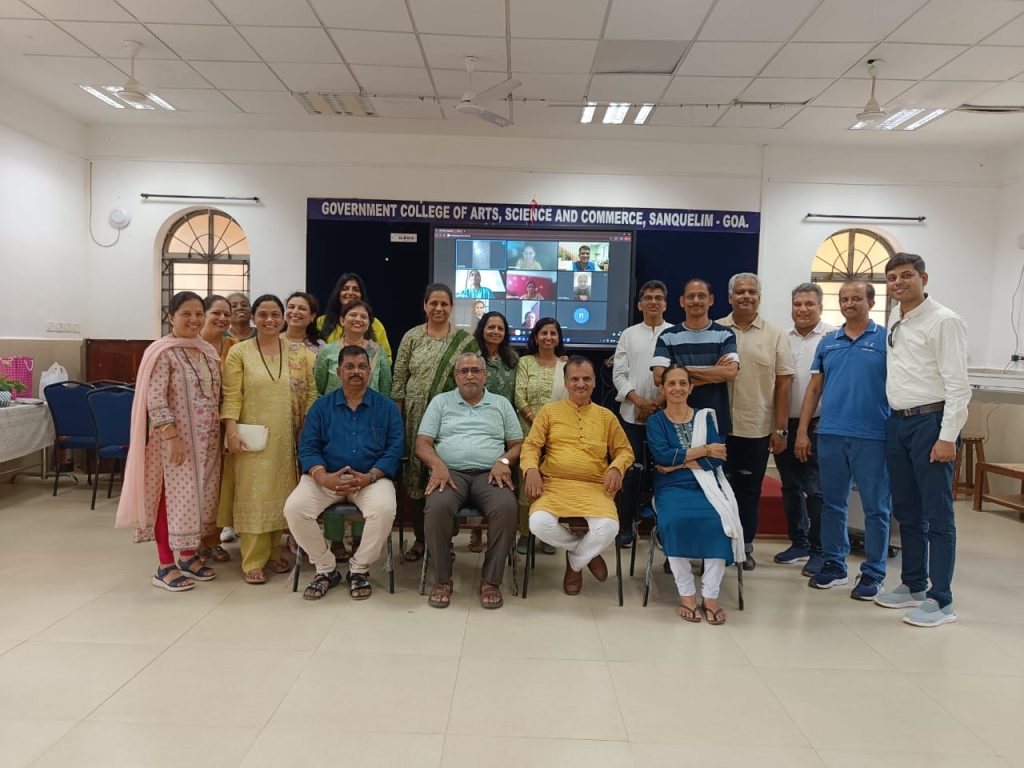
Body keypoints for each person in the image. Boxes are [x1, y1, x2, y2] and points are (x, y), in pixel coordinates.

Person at [875, 253, 970, 627]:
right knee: (907, 511)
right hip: (898, 423)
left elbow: (958, 386)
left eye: (906, 276)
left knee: (937, 515)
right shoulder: (895, 321)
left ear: (923, 278)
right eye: (892, 277)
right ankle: (913, 584)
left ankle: (941, 599)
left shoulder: (945, 321)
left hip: (931, 422)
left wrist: (947, 437)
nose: (898, 283)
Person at [115, 291, 222, 591]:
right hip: (174, 443)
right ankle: (164, 565)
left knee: (198, 499)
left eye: (198, 313)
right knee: (170, 500)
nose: (193, 319)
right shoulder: (163, 352)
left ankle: (188, 556)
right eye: (186, 314)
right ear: (171, 317)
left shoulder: (208, 352)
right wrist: (171, 436)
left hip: (208, 443)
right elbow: (155, 398)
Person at [284, 345, 403, 601]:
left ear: (370, 372)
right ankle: (325, 568)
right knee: (294, 509)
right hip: (326, 477)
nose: (356, 372)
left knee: (383, 509)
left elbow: (394, 449)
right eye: (349, 367)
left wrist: (369, 476)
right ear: (338, 371)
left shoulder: (386, 407)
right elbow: (308, 447)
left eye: (361, 366)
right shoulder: (321, 407)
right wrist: (323, 477)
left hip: (371, 479)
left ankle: (359, 569)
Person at [796, 281, 891, 599]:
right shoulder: (828, 342)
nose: (850, 303)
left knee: (876, 508)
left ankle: (874, 573)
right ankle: (835, 565)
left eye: (856, 298)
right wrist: (801, 431)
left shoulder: (886, 340)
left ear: (871, 301)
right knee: (833, 504)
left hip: (873, 435)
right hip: (831, 434)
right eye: (844, 299)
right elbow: (814, 389)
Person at [221, 294, 318, 584]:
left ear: (283, 317)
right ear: (253, 318)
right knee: (254, 495)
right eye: (262, 314)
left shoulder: (301, 354)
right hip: (251, 437)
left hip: (288, 437)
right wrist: (231, 432)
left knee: (283, 494)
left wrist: (307, 430)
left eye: (275, 314)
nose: (270, 320)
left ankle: (275, 553)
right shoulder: (239, 352)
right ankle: (253, 559)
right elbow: (231, 396)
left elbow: (313, 393)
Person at [416, 352, 524, 609]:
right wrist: (438, 465)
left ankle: (491, 580)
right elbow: (422, 443)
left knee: (507, 508)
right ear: (455, 376)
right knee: (437, 507)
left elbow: (519, 444)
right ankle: (443, 579)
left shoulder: (500, 404)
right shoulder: (441, 402)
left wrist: (505, 461)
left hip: (490, 473)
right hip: (449, 474)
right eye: (464, 371)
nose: (470, 376)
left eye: (476, 370)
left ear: (485, 375)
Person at [521, 356, 634, 595]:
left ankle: (574, 563)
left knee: (609, 528)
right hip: (554, 485)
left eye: (586, 379)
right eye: (574, 379)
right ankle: (584, 553)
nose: (580, 384)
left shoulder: (606, 416)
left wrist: (616, 467)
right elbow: (531, 446)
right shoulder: (549, 412)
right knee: (538, 524)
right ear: (566, 383)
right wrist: (531, 469)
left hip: (595, 487)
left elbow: (625, 450)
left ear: (594, 383)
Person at [647, 365, 745, 623]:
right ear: (662, 388)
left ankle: (711, 596)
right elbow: (662, 456)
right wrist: (703, 450)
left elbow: (717, 459)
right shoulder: (656, 421)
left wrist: (676, 464)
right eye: (671, 384)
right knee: (674, 521)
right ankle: (687, 594)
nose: (677, 388)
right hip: (671, 488)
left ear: (691, 388)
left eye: (682, 383)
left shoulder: (706, 417)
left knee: (720, 522)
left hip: (708, 485)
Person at [392, 283, 480, 561]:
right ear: (425, 306)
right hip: (416, 417)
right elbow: (399, 380)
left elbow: (474, 380)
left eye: (444, 304)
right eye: (434, 303)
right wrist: (399, 418)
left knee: (447, 475)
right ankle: (421, 539)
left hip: (452, 418)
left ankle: (445, 541)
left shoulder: (465, 341)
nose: (439, 308)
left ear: (451, 307)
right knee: (418, 477)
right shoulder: (411, 337)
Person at [718, 273, 795, 570]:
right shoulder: (716, 330)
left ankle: (745, 546)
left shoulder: (775, 335)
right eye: (739, 292)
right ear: (729, 297)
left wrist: (780, 429)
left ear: (759, 297)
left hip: (756, 428)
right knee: (716, 489)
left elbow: (784, 383)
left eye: (751, 291)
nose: (745, 296)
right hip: (719, 428)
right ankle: (718, 545)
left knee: (749, 491)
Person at [773, 283, 835, 575]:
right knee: (791, 486)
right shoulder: (782, 338)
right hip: (786, 422)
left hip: (819, 425)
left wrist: (804, 432)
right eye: (798, 304)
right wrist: (781, 427)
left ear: (820, 307)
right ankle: (799, 542)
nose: (803, 309)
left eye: (809, 304)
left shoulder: (833, 337)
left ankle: (820, 549)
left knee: (816, 489)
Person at [611, 280, 671, 547]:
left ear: (666, 304)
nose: (653, 302)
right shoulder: (629, 334)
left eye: (659, 298)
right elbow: (619, 374)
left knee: (664, 470)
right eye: (648, 298)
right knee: (631, 472)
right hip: (630, 415)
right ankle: (626, 525)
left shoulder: (674, 334)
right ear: (639, 304)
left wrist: (656, 404)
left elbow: (677, 376)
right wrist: (639, 402)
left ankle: (663, 526)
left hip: (666, 414)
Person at [652, 278, 738, 437]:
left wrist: (677, 372)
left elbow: (730, 373)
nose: (696, 300)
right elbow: (658, 377)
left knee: (711, 462)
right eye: (691, 296)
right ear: (682, 301)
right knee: (677, 461)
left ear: (710, 300)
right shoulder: (667, 336)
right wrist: (714, 372)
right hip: (674, 420)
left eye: (701, 296)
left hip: (715, 419)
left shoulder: (725, 334)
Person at [513, 317, 568, 554]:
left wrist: (550, 429)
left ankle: (548, 534)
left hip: (557, 436)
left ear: (558, 338)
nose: (548, 337)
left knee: (551, 485)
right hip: (527, 433)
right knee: (527, 484)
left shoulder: (565, 367)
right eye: (543, 333)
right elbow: (519, 396)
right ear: (536, 337)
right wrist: (537, 424)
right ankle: (525, 535)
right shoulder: (525, 362)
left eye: (553, 333)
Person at [468, 311, 519, 552]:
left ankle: (498, 533)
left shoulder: (513, 358)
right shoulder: (472, 358)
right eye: (491, 327)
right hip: (478, 422)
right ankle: (476, 531)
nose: (495, 332)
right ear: (482, 329)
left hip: (505, 422)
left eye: (500, 328)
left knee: (502, 479)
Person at [196, 294, 236, 562]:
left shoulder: (234, 347)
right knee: (195, 483)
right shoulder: (190, 345)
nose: (222, 318)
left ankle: (212, 539)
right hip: (195, 427)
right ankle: (191, 541)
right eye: (216, 313)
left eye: (226, 314)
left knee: (220, 484)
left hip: (224, 424)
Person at [314, 300, 391, 397]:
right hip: (333, 410)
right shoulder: (327, 351)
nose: (358, 319)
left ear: (368, 325)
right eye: (353, 315)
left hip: (372, 410)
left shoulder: (378, 352)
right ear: (342, 320)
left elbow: (385, 391)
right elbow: (318, 390)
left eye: (363, 317)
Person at [317, 272, 392, 362]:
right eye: (345, 288)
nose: (350, 292)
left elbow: (386, 358)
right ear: (338, 293)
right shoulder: (322, 322)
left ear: (361, 295)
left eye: (356, 289)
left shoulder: (374, 323)